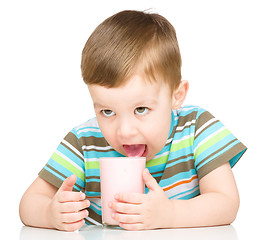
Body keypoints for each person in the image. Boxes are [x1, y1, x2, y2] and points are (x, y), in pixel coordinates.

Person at [19, 10, 247, 231]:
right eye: (107, 112)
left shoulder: (196, 129)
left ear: (176, 96)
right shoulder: (85, 142)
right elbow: (29, 203)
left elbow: (226, 202)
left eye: (141, 109)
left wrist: (170, 214)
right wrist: (51, 212)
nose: (125, 131)